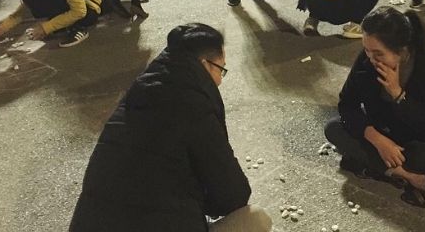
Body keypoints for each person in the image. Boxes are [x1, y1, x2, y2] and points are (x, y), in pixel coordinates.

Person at [68, 23, 273, 232]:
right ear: (205, 64)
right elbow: (232, 196)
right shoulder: (194, 106)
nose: (220, 81)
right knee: (256, 219)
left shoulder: (136, 97)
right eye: (221, 70)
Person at [325, 6, 425, 208]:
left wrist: (398, 95)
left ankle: (377, 165)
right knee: (334, 128)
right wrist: (377, 139)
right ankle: (410, 176)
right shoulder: (368, 59)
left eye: (378, 54)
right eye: (366, 50)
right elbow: (347, 104)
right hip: (385, 128)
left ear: (403, 51)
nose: (370, 59)